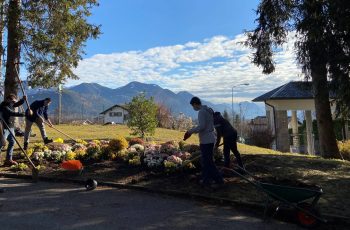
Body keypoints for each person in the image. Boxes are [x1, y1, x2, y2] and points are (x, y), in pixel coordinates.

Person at [184, 97, 224, 188]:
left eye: (192, 106)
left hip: (206, 140)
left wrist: (190, 131)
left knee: (208, 162)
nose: (193, 108)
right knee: (206, 161)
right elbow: (206, 125)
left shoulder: (201, 112)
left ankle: (219, 180)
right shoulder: (208, 110)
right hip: (211, 138)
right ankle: (206, 180)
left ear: (195, 104)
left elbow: (202, 126)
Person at [0, 94, 26, 166]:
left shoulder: (10, 104)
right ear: (8, 100)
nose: (14, 103)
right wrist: (24, 114)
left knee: (12, 142)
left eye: (14, 102)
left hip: (10, 127)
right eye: (12, 101)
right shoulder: (3, 106)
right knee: (1, 144)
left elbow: (17, 104)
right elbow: (12, 113)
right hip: (3, 128)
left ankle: (8, 160)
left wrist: (23, 99)